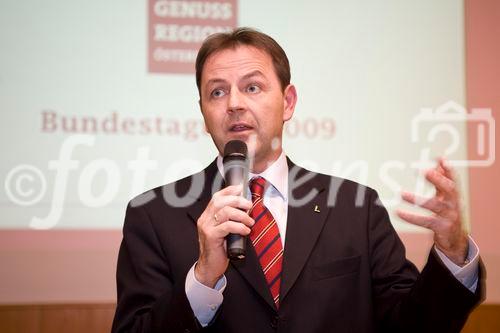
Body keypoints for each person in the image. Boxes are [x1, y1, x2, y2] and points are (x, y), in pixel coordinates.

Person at [111, 27, 484, 333]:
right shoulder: (153, 215)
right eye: (217, 92)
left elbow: (414, 326)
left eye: (252, 87)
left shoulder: (356, 207)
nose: (234, 104)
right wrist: (203, 279)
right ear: (204, 113)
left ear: (288, 102)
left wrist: (451, 250)